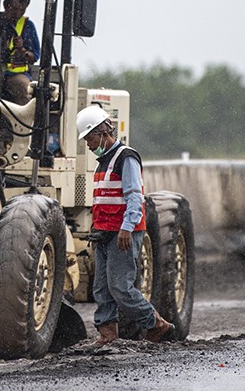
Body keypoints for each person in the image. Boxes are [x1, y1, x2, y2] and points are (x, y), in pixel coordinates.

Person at [76, 105, 175, 347]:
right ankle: (107, 333)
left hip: (122, 233)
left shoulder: (126, 157)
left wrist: (127, 227)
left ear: (103, 133)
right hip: (104, 233)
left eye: (89, 138)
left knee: (120, 286)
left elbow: (134, 196)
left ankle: (156, 324)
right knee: (101, 288)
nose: (88, 145)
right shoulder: (104, 162)